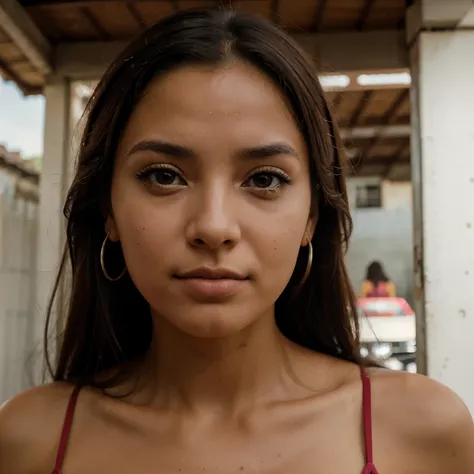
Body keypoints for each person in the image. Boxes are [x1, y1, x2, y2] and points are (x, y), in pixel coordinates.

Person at [1, 7, 473, 474]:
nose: (214, 226)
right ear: (108, 210)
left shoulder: (423, 433)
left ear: (312, 215)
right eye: (164, 175)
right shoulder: (26, 441)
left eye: (264, 180)